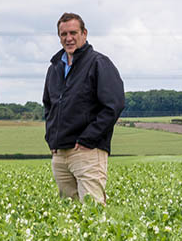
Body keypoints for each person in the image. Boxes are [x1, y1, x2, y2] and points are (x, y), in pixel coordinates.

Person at [43, 12, 125, 204]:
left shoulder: (98, 63)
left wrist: (89, 138)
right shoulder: (54, 68)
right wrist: (51, 139)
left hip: (87, 151)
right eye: (64, 34)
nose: (68, 38)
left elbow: (114, 105)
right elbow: (49, 105)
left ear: (84, 33)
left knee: (92, 213)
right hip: (60, 153)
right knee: (69, 216)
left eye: (73, 33)